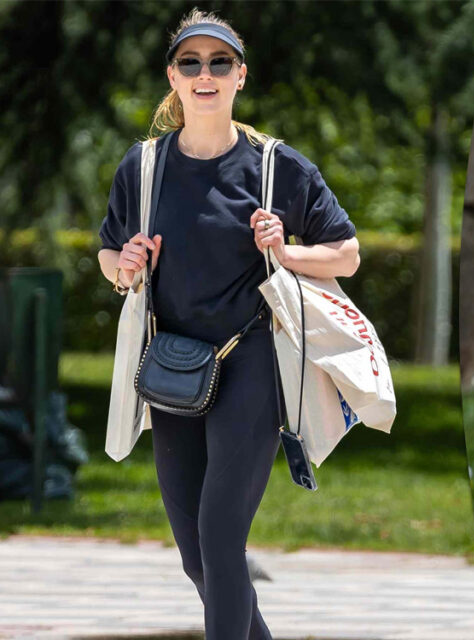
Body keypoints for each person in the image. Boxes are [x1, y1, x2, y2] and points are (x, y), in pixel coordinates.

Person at [96, 10, 359, 639]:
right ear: (173, 76)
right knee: (196, 557)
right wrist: (123, 265)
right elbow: (110, 254)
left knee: (219, 539)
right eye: (192, 62)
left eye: (219, 63)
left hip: (251, 362)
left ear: (240, 76)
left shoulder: (277, 167)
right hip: (173, 367)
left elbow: (346, 254)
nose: (205, 73)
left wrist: (287, 250)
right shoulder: (143, 166)